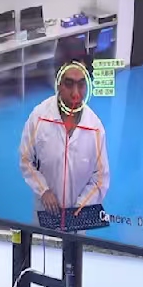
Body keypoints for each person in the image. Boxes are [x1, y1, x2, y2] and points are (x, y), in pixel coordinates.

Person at [18, 58, 110, 223]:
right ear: (58, 83)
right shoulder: (38, 117)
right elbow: (26, 159)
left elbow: (100, 178)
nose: (75, 93)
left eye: (81, 84)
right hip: (45, 213)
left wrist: (81, 206)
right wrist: (43, 190)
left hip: (78, 219)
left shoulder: (96, 128)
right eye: (69, 84)